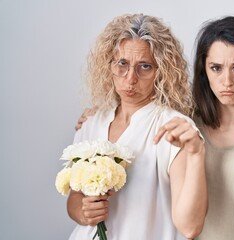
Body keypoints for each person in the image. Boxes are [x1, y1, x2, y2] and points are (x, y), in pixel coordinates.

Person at [75, 15, 234, 240]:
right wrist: (96, 119)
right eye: (216, 68)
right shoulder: (185, 126)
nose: (226, 81)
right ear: (203, 71)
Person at [66, 13, 207, 240]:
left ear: (162, 71)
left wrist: (196, 153)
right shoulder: (91, 123)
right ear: (108, 64)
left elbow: (190, 227)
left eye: (145, 66)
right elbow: (74, 200)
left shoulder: (174, 129)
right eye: (122, 64)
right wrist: (85, 211)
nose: (130, 78)